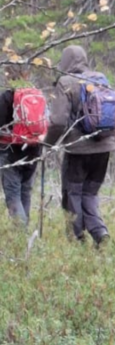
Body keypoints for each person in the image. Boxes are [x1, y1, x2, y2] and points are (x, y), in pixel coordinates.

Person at [46, 45, 115, 246]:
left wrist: (47, 143)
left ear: (65, 61)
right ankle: (99, 231)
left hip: (78, 149)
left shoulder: (66, 82)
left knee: (73, 192)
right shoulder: (100, 79)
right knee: (90, 193)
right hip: (104, 147)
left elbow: (58, 121)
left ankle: (76, 241)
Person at [0, 63, 43, 225]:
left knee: (13, 194)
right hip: (33, 150)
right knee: (25, 192)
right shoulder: (36, 94)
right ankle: (25, 235)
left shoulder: (7, 97)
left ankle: (21, 236)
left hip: (11, 152)